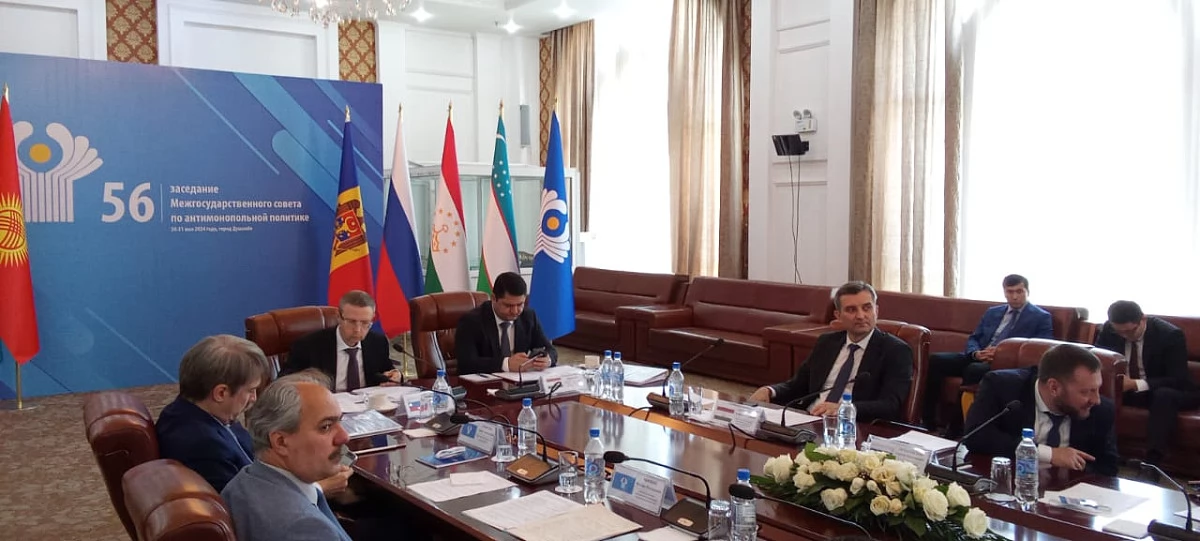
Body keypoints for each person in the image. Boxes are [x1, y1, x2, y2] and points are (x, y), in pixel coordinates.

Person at [748, 281, 913, 422]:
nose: (861, 315)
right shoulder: (827, 342)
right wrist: (770, 390)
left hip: (851, 426)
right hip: (809, 417)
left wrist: (844, 409)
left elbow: (890, 405)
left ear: (876, 310)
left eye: (867, 308)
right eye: (851, 310)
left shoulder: (895, 350)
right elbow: (798, 385)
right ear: (838, 315)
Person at [222, 372, 354, 541]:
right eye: (326, 427)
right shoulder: (305, 527)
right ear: (281, 442)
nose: (344, 437)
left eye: (339, 422)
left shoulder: (246, 479)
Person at [922, 274, 1054, 434]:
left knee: (973, 370)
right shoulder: (993, 312)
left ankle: (956, 428)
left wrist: (1001, 354)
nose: (1014, 296)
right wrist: (976, 353)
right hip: (980, 355)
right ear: (1004, 292)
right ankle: (927, 421)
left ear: (1027, 291)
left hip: (1004, 364)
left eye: (1019, 291)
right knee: (936, 360)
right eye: (1010, 291)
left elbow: (1040, 348)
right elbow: (974, 337)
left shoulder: (1041, 317)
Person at [963, 343, 1119, 476]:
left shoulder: (1101, 410)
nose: (1096, 400)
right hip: (1011, 483)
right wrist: (1049, 454)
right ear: (1054, 387)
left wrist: (1077, 469)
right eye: (1086, 392)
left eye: (1097, 389)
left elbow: (1108, 469)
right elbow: (976, 436)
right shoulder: (1002, 387)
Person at [1094, 300, 1198, 465]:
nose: (1125, 336)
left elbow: (1178, 378)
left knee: (1163, 396)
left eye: (1130, 331)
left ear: (1143, 319)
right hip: (1126, 389)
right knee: (1094, 392)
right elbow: (1097, 362)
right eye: (1120, 332)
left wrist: (1135, 384)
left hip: (1171, 389)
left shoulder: (1170, 335)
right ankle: (1101, 454)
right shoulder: (1109, 329)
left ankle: (1153, 462)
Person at [155, 335, 264, 492]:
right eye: (251, 390)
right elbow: (244, 501)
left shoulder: (181, 410)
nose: (254, 398)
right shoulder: (206, 447)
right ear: (221, 393)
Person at [286, 290, 397, 392]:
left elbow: (386, 372)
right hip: (326, 403)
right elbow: (285, 383)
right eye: (352, 321)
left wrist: (395, 376)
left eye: (365, 323)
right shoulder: (309, 345)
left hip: (367, 403)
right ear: (338, 317)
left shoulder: (378, 342)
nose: (357, 329)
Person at [456, 271, 558, 375]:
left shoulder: (528, 316)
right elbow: (466, 364)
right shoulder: (471, 321)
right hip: (488, 381)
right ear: (494, 298)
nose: (515, 311)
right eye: (508, 305)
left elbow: (550, 350)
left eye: (520, 304)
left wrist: (547, 359)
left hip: (521, 380)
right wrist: (506, 364)